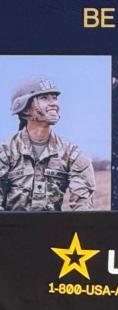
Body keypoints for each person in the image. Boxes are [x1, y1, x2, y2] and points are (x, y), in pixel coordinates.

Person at [0, 76, 96, 211]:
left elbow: (82, 208)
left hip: (53, 230)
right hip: (12, 230)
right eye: (44, 98)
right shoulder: (5, 151)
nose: (53, 104)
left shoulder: (73, 154)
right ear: (25, 109)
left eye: (55, 98)